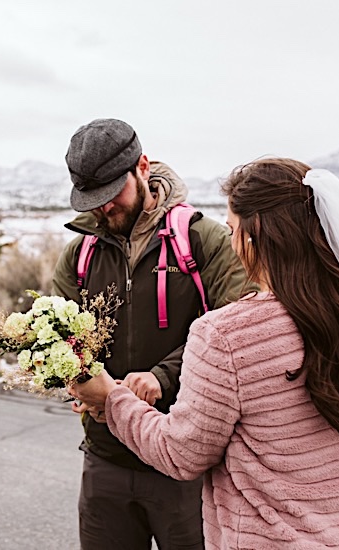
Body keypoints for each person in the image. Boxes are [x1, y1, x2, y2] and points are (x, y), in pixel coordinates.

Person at [70, 158, 339, 549]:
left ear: (254, 239)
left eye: (233, 230)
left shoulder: (226, 336)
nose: (231, 242)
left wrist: (113, 399)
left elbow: (181, 453)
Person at [51, 119, 249, 549]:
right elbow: (58, 339)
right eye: (92, 200)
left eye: (111, 194)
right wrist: (78, 380)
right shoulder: (78, 255)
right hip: (105, 457)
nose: (104, 209)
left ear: (142, 167)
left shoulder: (203, 241)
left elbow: (237, 330)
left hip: (186, 463)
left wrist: (162, 376)